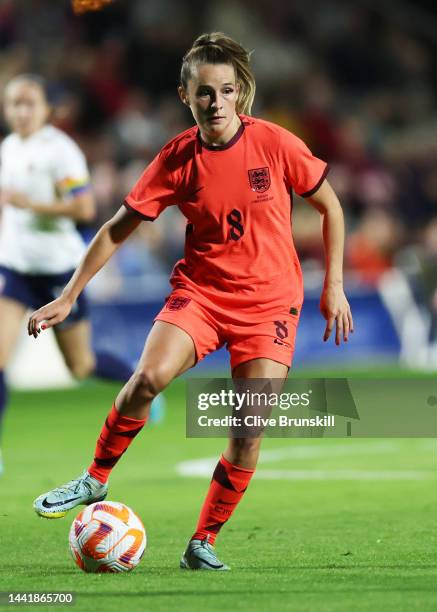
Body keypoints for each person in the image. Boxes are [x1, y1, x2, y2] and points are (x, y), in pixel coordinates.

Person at [30, 33, 353, 571]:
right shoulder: (178, 157)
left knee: (248, 432)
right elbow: (116, 228)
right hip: (201, 294)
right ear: (186, 96)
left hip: (270, 304)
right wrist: (69, 295)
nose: (217, 102)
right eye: (205, 92)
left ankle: (202, 542)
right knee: (146, 379)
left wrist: (334, 284)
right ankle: (94, 479)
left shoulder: (274, 143)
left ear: (239, 92)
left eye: (227, 90)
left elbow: (331, 207)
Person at [0, 74, 163, 474]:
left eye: (29, 103)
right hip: (15, 267)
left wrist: (34, 204)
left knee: (81, 366)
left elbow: (85, 208)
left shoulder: (61, 151)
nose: (21, 111)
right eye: (14, 104)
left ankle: (137, 382)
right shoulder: (7, 148)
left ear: (45, 109)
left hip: (58, 269)